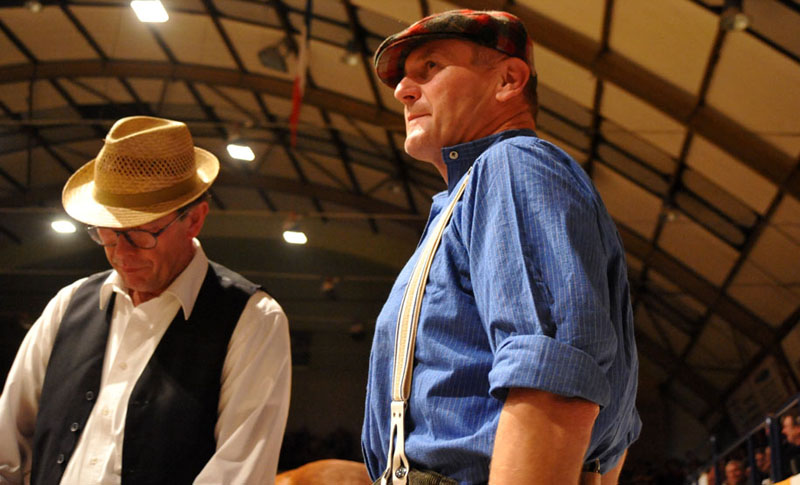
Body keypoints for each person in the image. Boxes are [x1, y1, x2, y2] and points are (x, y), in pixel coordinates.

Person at [361, 9, 640, 485]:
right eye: (404, 80)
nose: (403, 91)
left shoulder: (513, 165)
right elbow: (612, 440)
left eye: (430, 68)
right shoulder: (466, 197)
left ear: (509, 79)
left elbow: (554, 379)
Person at [0, 116, 291, 484]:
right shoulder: (68, 305)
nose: (120, 253)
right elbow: (8, 443)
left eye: (139, 233)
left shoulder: (252, 321)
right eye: (106, 233)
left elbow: (238, 472)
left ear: (195, 219)